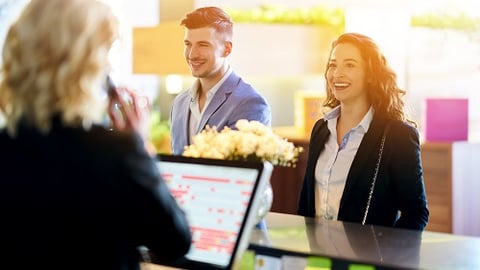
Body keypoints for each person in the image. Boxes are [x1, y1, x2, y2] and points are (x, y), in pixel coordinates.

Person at [0, 0, 191, 269]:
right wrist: (139, 147)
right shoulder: (114, 153)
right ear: (88, 62)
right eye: (108, 51)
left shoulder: (6, 147)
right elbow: (174, 241)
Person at [297, 33, 429, 231]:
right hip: (317, 257)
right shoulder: (321, 129)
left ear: (370, 75)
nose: (337, 74)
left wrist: (385, 252)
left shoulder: (397, 136)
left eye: (349, 65)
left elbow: (416, 213)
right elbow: (306, 206)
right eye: (333, 65)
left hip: (365, 259)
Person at [170, 6, 272, 155]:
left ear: (227, 49)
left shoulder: (251, 104)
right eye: (188, 44)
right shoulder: (179, 103)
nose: (192, 54)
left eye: (203, 45)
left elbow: (243, 172)